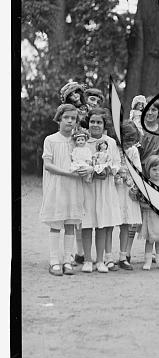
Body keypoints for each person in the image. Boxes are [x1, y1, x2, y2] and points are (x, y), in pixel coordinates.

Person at [40, 104, 88, 276]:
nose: (69, 121)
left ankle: (67, 260)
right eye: (66, 117)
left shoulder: (78, 141)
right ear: (59, 119)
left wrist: (86, 169)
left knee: (70, 224)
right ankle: (54, 261)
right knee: (56, 223)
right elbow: (48, 165)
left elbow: (86, 160)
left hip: (74, 188)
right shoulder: (51, 140)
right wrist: (69, 173)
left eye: (73, 118)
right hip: (57, 186)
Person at [78, 107, 123, 273]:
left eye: (99, 122)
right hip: (87, 187)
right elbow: (78, 160)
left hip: (105, 187)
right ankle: (87, 260)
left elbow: (116, 163)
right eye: (92, 121)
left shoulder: (110, 142)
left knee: (102, 224)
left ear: (104, 125)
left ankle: (100, 260)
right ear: (88, 123)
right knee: (87, 223)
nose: (95, 125)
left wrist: (108, 170)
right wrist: (89, 170)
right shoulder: (83, 141)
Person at [114, 120, 143, 270]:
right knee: (108, 224)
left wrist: (133, 184)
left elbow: (138, 170)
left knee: (125, 224)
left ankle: (123, 256)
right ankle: (106, 256)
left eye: (132, 140)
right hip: (114, 188)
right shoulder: (112, 147)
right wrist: (118, 172)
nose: (129, 143)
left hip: (126, 189)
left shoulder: (133, 151)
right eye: (127, 140)